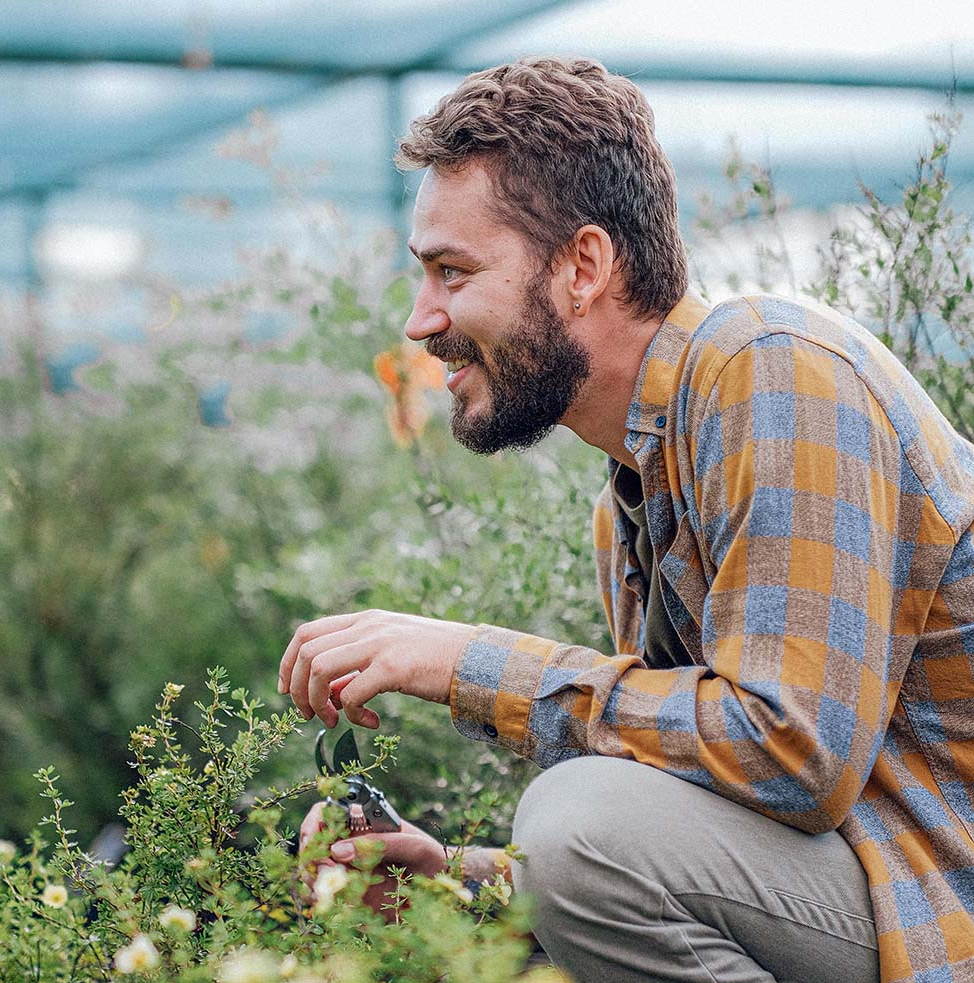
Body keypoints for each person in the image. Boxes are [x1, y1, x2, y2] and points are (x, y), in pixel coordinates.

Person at [278, 57, 974, 983]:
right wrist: (453, 882)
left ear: (583, 267)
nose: (420, 319)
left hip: (945, 902)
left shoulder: (775, 371)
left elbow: (789, 752)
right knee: (581, 827)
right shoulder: (636, 487)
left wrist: (466, 660)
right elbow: (696, 823)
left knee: (581, 819)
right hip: (892, 894)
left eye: (452, 271)